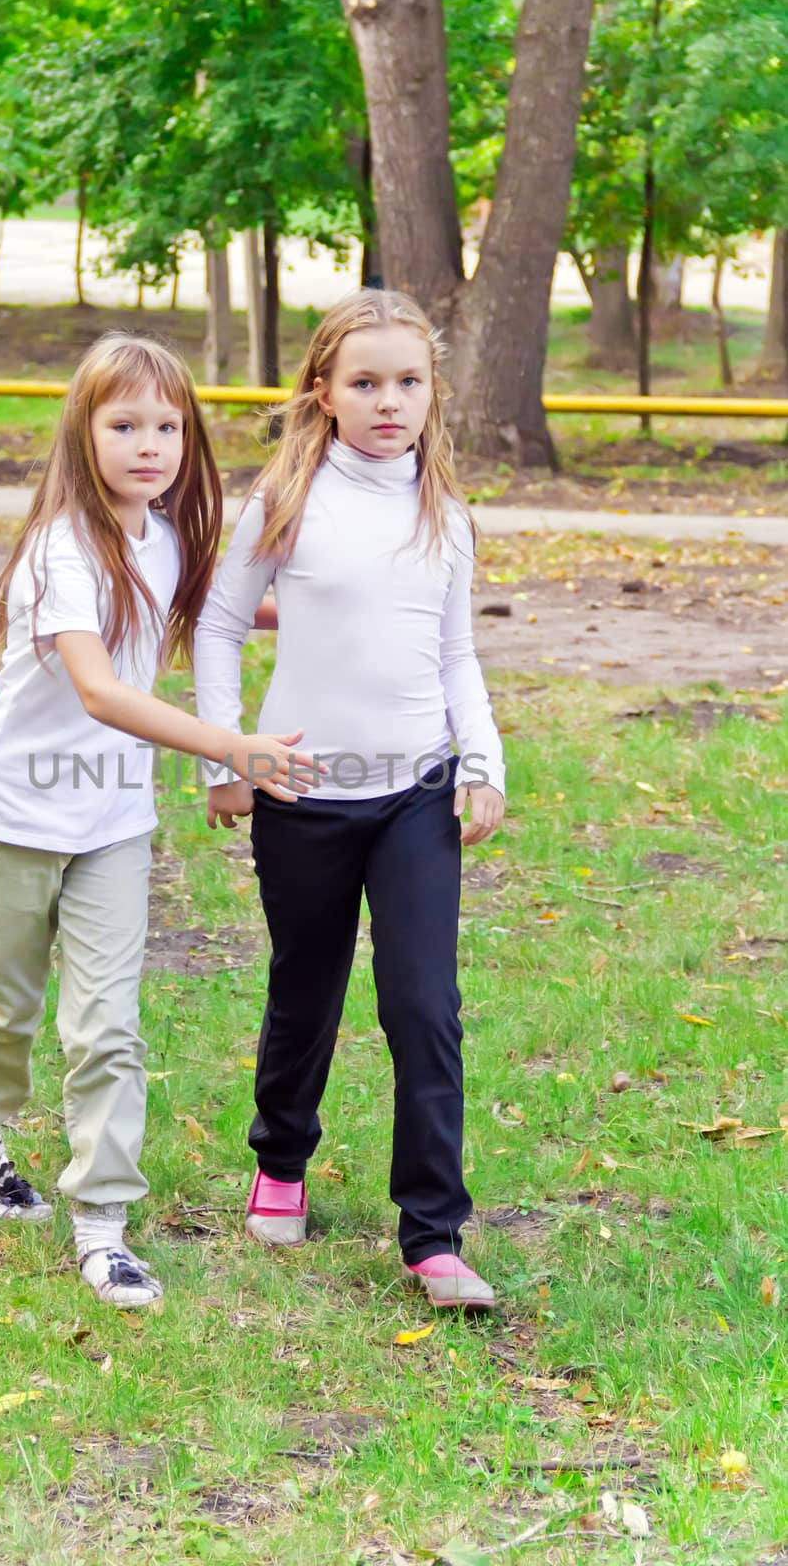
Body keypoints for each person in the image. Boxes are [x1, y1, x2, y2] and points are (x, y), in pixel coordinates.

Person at [0, 333, 318, 1310]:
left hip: (110, 820)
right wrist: (230, 747)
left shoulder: (166, 534)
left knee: (106, 1025)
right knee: (6, 1004)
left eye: (167, 426)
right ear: (84, 430)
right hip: (17, 813)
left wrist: (340, 606)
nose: (149, 444)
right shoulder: (62, 546)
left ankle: (102, 1227)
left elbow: (210, 613)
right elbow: (102, 691)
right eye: (124, 424)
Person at [194, 290, 506, 1312]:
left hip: (414, 794)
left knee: (423, 1007)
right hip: (304, 792)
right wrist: (224, 757)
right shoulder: (284, 499)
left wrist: (481, 760)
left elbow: (454, 650)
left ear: (429, 393)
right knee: (307, 991)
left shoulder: (444, 515)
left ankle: (433, 1233)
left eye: (406, 382)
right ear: (322, 393)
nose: (387, 401)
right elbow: (218, 625)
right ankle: (279, 1162)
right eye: (364, 382)